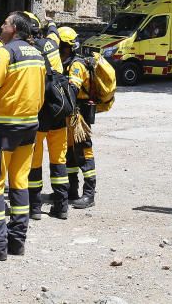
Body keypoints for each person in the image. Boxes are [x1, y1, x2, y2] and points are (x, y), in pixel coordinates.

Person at [0, 12, 45, 261]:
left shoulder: (5, 52)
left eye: (4, 23)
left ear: (14, 28)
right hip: (28, 127)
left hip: (3, 128)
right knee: (19, 182)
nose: (1, 27)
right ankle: (17, 242)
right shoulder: (37, 54)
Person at [24, 13, 69, 220]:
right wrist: (50, 21)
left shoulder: (28, 50)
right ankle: (61, 207)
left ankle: (34, 207)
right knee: (58, 158)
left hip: (40, 110)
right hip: (58, 108)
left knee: (35, 159)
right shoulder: (51, 43)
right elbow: (54, 32)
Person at [61, 27, 97, 209]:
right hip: (70, 114)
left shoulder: (76, 65)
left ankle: (89, 194)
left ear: (66, 46)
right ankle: (71, 190)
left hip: (79, 114)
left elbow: (72, 90)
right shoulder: (65, 62)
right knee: (69, 153)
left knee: (83, 151)